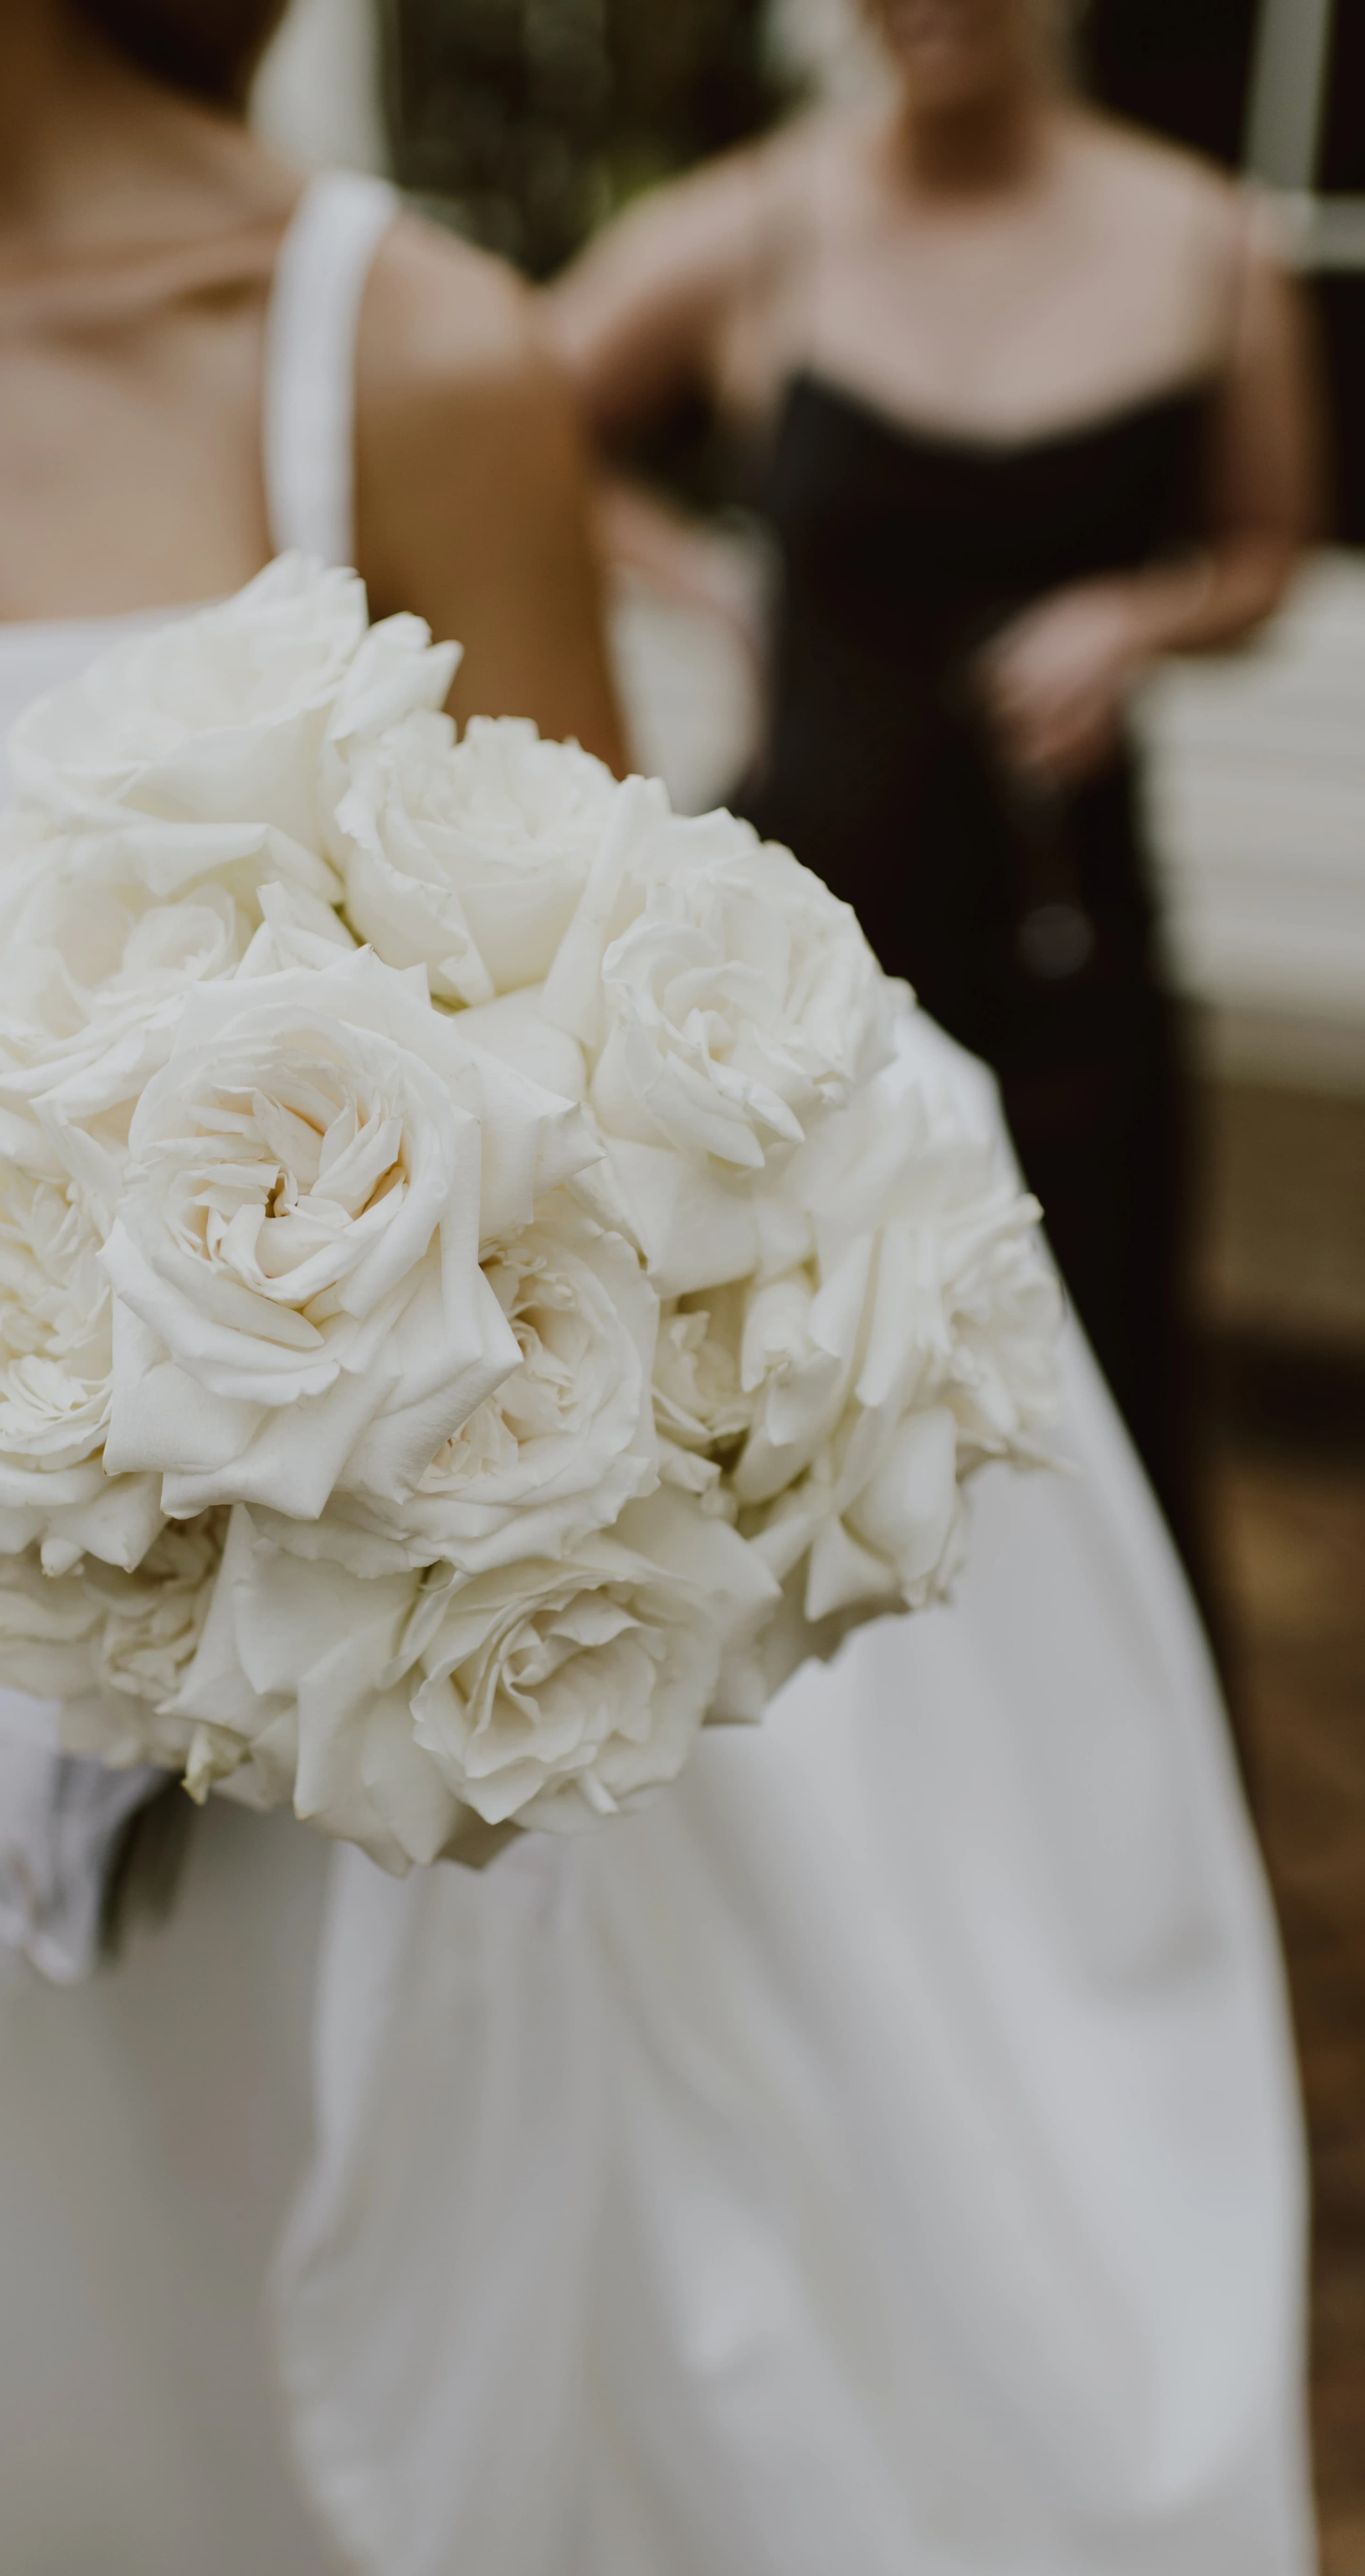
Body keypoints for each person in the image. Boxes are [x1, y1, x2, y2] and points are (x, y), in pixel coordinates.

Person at [0, 1, 1312, 2576]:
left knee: (251, 2438)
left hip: (261, 1701)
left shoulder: (396, 347)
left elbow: (569, 1114)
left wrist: (301, 1515)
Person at [546, 0, 1322, 1575]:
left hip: (1064, 927)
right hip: (797, 949)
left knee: (1084, 1362)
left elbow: (1265, 553)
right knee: (783, 1378)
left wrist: (1141, 615)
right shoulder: (762, 224)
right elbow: (503, 405)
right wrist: (700, 572)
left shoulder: (1208, 242)